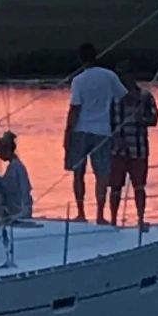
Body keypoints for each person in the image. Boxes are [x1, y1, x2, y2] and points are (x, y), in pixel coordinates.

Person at [64, 43, 126, 223]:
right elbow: (122, 96)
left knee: (78, 173)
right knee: (102, 174)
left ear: (80, 59)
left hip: (81, 130)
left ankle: (81, 213)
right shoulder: (109, 76)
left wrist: (67, 134)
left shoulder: (78, 80)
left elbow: (75, 109)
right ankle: (100, 214)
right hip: (103, 131)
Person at [108, 61, 158, 228]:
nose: (122, 79)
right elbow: (106, 123)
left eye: (125, 74)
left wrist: (142, 120)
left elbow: (154, 119)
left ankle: (140, 218)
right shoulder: (112, 98)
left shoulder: (145, 96)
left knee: (139, 186)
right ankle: (113, 220)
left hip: (139, 148)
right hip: (117, 150)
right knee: (115, 187)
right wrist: (114, 139)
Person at [0, 130, 33, 219]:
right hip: (17, 207)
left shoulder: (16, 167)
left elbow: (11, 188)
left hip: (19, 209)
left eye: (0, 153)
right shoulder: (14, 166)